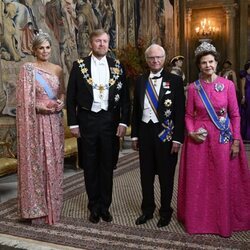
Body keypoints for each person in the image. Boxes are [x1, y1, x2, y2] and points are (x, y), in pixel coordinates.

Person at [177, 42, 250, 237]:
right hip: (199, 140)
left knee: (221, 180)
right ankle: (199, 220)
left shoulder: (228, 85)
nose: (208, 65)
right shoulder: (193, 88)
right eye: (203, 63)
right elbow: (188, 115)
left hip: (222, 138)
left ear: (216, 63)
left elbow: (235, 115)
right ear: (199, 65)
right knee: (200, 180)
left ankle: (222, 221)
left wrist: (236, 140)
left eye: (211, 61)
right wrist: (191, 132)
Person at [66, 29, 131, 224]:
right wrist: (73, 123)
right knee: (90, 164)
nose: (101, 44)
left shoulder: (117, 66)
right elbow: (70, 98)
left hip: (109, 121)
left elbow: (126, 99)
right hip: (87, 120)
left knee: (107, 164)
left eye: (104, 41)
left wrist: (123, 122)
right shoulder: (79, 66)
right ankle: (93, 206)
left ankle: (105, 206)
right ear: (91, 43)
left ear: (108, 43)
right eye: (98, 41)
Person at [131, 44, 185, 227]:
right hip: (145, 132)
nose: (155, 61)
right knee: (146, 175)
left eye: (158, 57)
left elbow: (180, 112)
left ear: (164, 58)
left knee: (166, 175)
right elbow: (136, 110)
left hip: (166, 133)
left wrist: (178, 138)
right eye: (151, 58)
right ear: (147, 60)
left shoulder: (175, 81)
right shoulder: (140, 80)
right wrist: (135, 136)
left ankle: (165, 212)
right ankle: (147, 210)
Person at [16, 30, 65, 225]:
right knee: (39, 161)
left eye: (47, 47)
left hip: (54, 122)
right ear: (34, 50)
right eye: (41, 48)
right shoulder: (28, 69)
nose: (45, 51)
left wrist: (60, 103)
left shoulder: (57, 69)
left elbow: (61, 93)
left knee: (53, 161)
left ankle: (53, 206)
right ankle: (37, 209)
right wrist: (39, 106)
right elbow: (23, 101)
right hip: (36, 123)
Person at [240, 62, 250, 140]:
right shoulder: (244, 77)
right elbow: (242, 88)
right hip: (247, 95)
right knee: (247, 113)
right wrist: (243, 97)